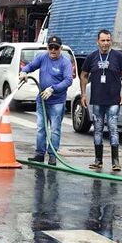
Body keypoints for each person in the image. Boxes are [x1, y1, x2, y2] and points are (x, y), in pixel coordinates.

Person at [19, 35, 73, 166]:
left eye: (56, 48)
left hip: (57, 101)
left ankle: (52, 155)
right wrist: (24, 72)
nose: (53, 50)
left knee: (55, 129)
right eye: (51, 47)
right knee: (41, 128)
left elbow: (68, 80)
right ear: (47, 47)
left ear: (60, 48)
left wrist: (53, 89)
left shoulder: (65, 62)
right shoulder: (43, 57)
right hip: (42, 100)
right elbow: (31, 66)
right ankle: (39, 154)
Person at [80, 29, 122, 171]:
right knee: (98, 130)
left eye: (108, 40)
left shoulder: (118, 56)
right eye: (103, 40)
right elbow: (83, 75)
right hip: (97, 100)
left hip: (113, 100)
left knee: (113, 129)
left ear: (111, 41)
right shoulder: (92, 57)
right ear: (97, 42)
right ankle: (98, 160)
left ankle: (115, 162)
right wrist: (83, 94)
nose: (106, 43)